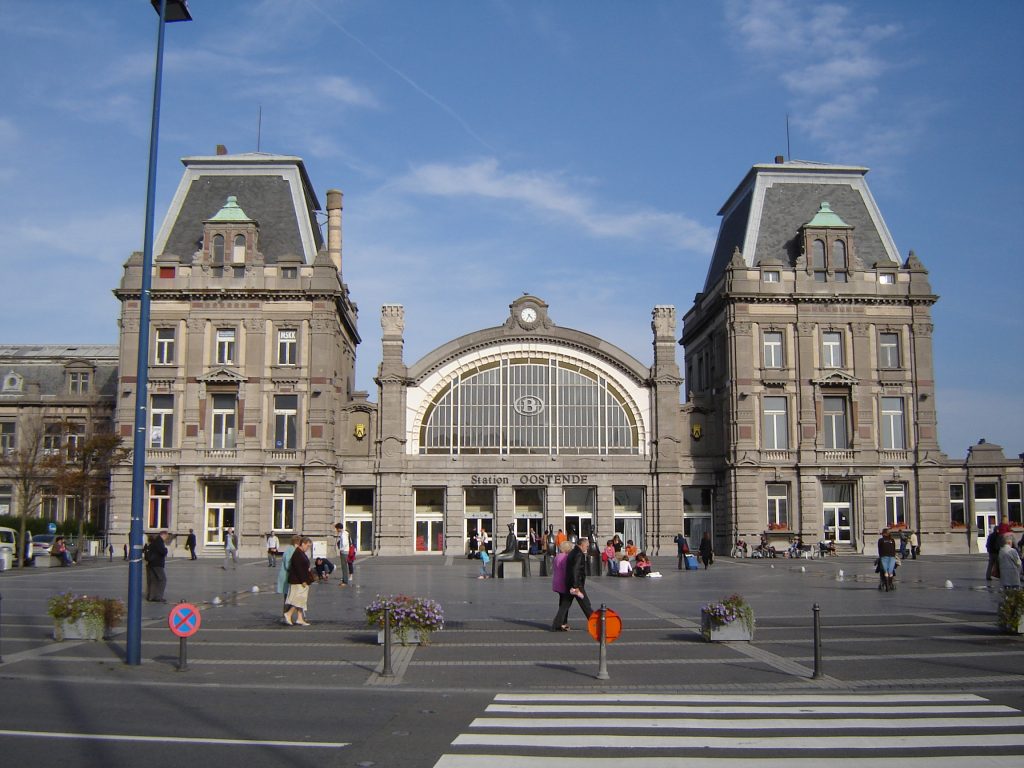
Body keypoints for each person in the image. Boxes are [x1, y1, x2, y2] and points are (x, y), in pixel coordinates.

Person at [553, 538, 594, 631]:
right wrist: (576, 586)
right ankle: (596, 623)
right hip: (576, 584)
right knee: (586, 604)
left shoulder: (572, 553)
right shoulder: (579, 554)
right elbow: (575, 570)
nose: (587, 548)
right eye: (586, 546)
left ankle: (557, 624)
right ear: (582, 544)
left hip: (569, 583)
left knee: (565, 605)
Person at [283, 537, 315, 626]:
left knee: (301, 600)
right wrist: (303, 580)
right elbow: (298, 569)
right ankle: (288, 613)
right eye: (308, 546)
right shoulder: (297, 553)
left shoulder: (301, 553)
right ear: (303, 544)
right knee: (297, 599)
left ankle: (300, 618)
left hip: (300, 580)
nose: (308, 548)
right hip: (297, 581)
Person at [550, 541, 574, 631]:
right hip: (563, 582)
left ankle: (563, 622)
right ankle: (561, 622)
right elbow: (566, 571)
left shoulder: (558, 556)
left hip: (557, 582)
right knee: (565, 604)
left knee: (562, 602)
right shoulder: (565, 558)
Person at [145, 531, 169, 602]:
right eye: (166, 537)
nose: (166, 538)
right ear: (163, 535)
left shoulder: (154, 541)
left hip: (151, 563)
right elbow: (163, 552)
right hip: (157, 564)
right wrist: (166, 550)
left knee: (153, 580)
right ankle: (158, 597)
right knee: (162, 580)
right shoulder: (159, 542)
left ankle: (151, 596)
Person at [277, 535, 301, 604]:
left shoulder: (292, 550)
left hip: (288, 576)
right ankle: (286, 614)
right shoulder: (291, 551)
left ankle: (287, 613)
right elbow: (288, 565)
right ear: (296, 543)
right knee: (288, 597)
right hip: (287, 576)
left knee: (289, 596)